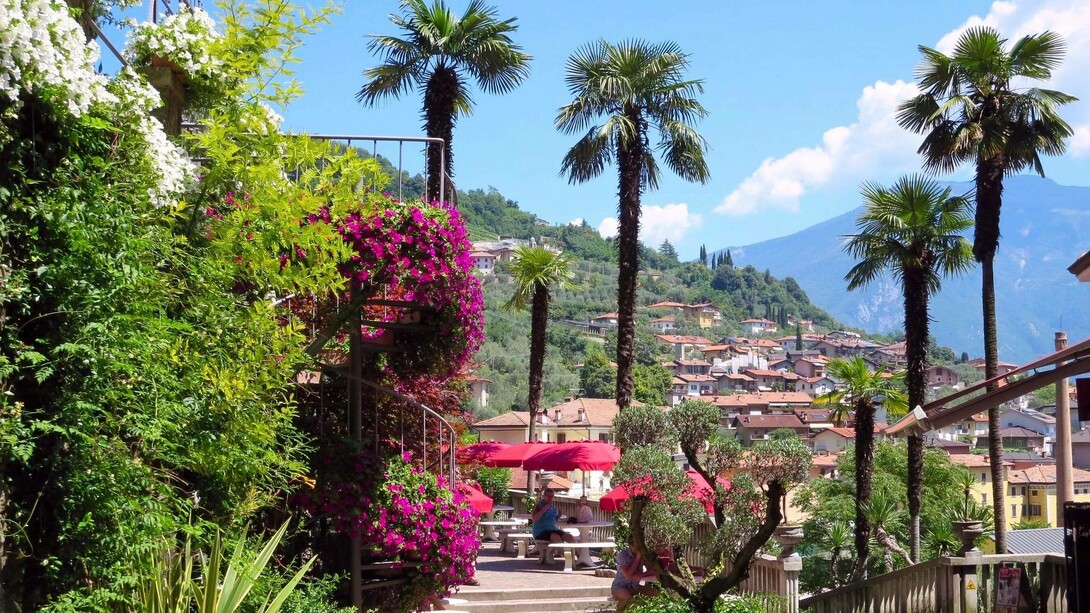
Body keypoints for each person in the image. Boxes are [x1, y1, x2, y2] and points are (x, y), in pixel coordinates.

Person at [611, 536, 659, 612]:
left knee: (656, 594)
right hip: (620, 586)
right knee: (627, 597)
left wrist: (643, 574)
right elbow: (628, 575)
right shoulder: (623, 555)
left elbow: (651, 570)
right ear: (631, 545)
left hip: (635, 586)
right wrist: (638, 557)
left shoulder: (643, 554)